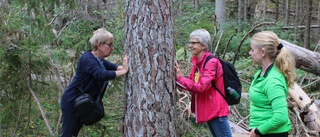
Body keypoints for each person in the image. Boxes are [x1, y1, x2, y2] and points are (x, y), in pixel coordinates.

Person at [60, 27, 129, 137]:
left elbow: (113, 67)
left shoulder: (99, 60)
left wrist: (124, 67)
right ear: (100, 45)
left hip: (81, 104)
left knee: (73, 134)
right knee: (68, 134)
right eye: (110, 45)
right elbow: (101, 75)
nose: (112, 48)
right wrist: (125, 71)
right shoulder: (88, 59)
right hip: (71, 102)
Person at [175, 29, 232, 137]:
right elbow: (191, 83)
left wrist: (179, 79)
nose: (190, 45)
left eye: (194, 43)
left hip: (216, 110)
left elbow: (201, 86)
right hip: (209, 110)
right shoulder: (197, 62)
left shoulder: (211, 62)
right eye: (190, 42)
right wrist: (178, 76)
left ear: (203, 46)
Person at [248, 31, 296, 137]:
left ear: (263, 52)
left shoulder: (273, 81)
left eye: (252, 50)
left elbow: (281, 116)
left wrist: (258, 131)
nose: (250, 53)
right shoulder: (261, 73)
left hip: (272, 133)